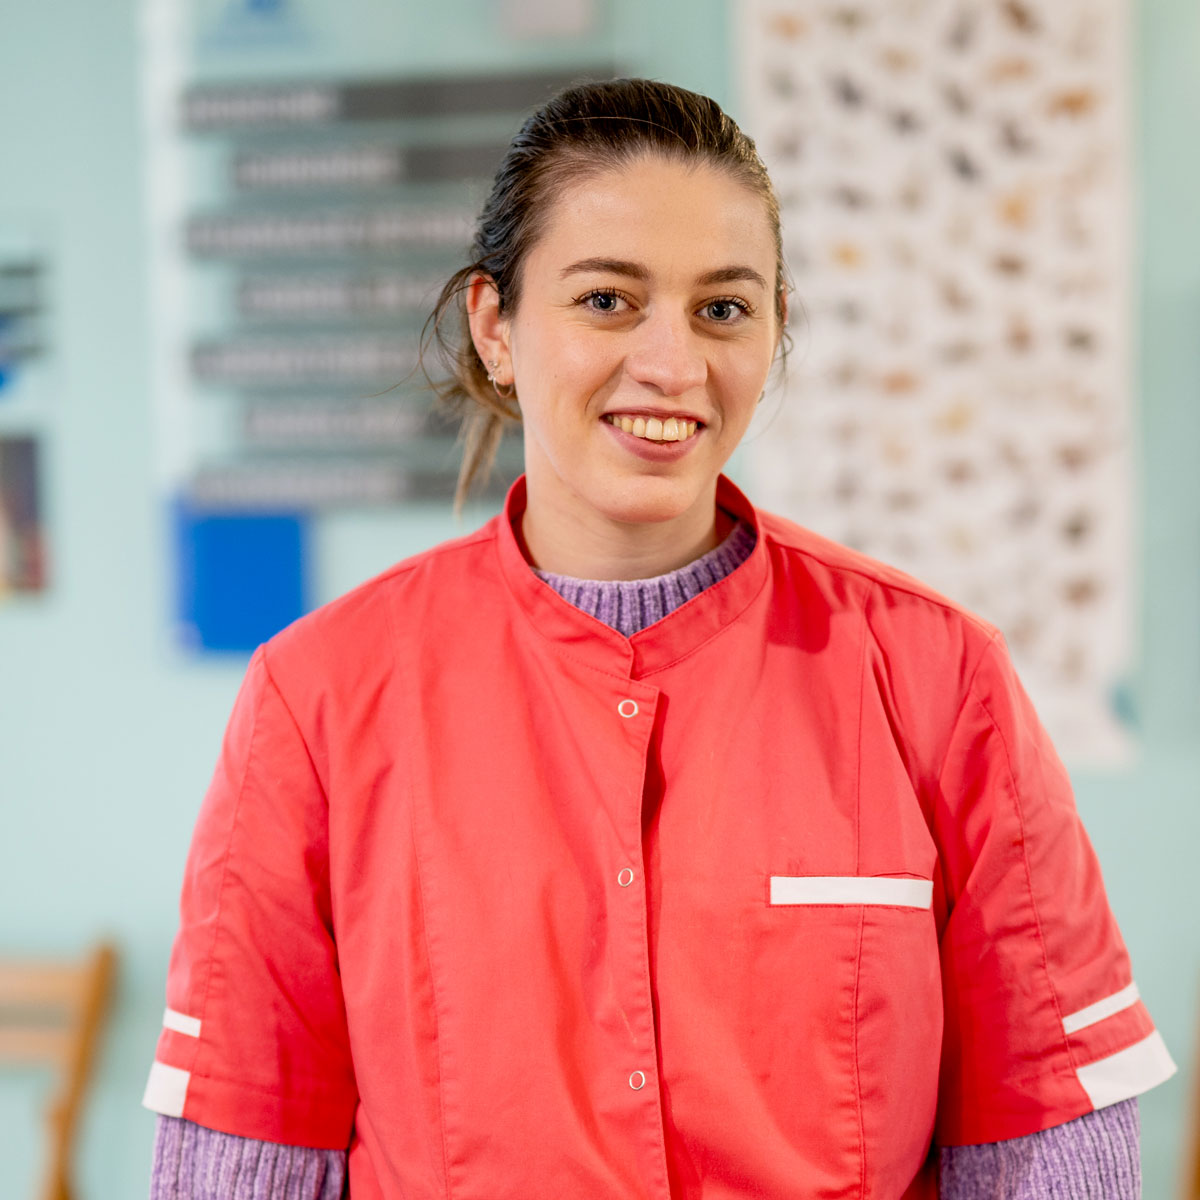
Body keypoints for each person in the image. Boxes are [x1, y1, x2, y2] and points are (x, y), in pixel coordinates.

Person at [145, 78, 1174, 1199]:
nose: (674, 366)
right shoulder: (317, 699)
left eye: (723, 309)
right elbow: (244, 1150)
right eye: (607, 300)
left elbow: (1049, 1136)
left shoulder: (939, 676)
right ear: (495, 325)